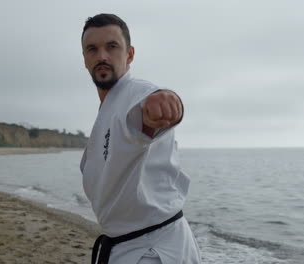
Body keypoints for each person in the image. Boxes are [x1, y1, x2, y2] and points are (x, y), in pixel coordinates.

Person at [80, 14, 201, 264]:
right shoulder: (107, 109)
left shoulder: (135, 94)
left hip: (152, 251)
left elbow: (151, 106)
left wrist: (164, 101)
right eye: (92, 49)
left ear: (130, 55)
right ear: (85, 59)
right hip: (127, 246)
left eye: (112, 47)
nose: (102, 56)